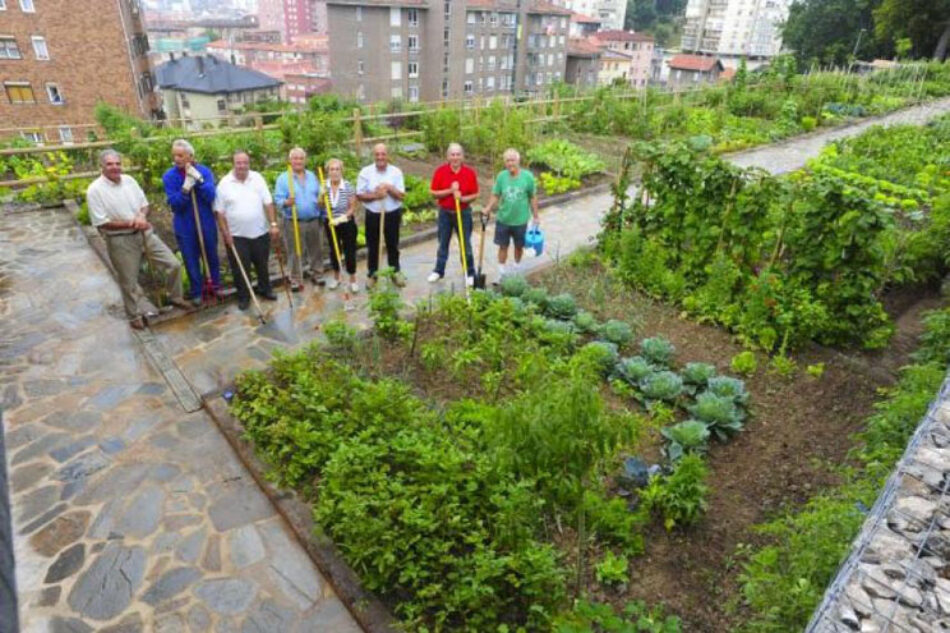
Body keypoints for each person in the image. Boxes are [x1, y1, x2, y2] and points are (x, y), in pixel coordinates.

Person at [86, 149, 188, 329]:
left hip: (144, 233)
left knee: (173, 264)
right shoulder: (95, 190)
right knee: (129, 280)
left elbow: (144, 204)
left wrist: (141, 216)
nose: (115, 167)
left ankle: (176, 297)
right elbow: (101, 223)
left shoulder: (129, 181)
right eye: (110, 164)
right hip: (120, 240)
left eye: (117, 163)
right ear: (101, 166)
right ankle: (134, 315)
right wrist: (132, 223)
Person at [213, 150, 280, 311]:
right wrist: (225, 233)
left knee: (262, 264)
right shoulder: (224, 184)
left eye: (245, 163)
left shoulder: (257, 178)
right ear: (233, 164)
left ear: (249, 163)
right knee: (240, 268)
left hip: (260, 232)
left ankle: (265, 289)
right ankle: (244, 296)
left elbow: (268, 202)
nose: (242, 166)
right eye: (239, 163)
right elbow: (219, 212)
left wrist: (273, 224)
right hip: (237, 236)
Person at [162, 139, 220, 306]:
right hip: (185, 224)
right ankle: (197, 291)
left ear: (190, 156)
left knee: (211, 255)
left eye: (180, 155)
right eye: (174, 155)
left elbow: (211, 196)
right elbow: (175, 204)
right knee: (190, 258)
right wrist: (186, 188)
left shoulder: (204, 171)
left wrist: (200, 181)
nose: (176, 158)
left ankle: (214, 286)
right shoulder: (170, 176)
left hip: (205, 221)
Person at [272, 147, 326, 290]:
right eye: (295, 158)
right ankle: (295, 279)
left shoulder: (312, 176)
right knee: (294, 251)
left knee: (316, 249)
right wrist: (286, 202)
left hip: (314, 219)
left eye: (301, 158)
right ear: (290, 160)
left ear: (305, 160)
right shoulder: (283, 179)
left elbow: (319, 194)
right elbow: (277, 199)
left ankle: (317, 274)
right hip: (293, 221)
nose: (298, 161)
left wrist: (321, 202)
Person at [482, 148, 539, 278]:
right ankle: (501, 271)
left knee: (519, 247)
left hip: (521, 221)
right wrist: (488, 208)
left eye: (512, 160)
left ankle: (517, 267)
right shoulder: (502, 176)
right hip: (503, 219)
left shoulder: (527, 177)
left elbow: (533, 196)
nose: (510, 163)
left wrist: (536, 216)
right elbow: (496, 194)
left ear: (518, 161)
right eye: (507, 161)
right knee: (503, 246)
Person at [428, 143, 479, 286]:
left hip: (463, 213)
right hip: (445, 213)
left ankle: (469, 272)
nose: (455, 157)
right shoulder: (440, 171)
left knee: (465, 244)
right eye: (452, 154)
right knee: (443, 242)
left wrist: (462, 199)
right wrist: (450, 191)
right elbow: (433, 193)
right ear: (448, 156)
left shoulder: (469, 173)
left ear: (462, 157)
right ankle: (438, 271)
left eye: (458, 154)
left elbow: (475, 194)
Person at [357, 143, 406, 287]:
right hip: (373, 214)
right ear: (374, 156)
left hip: (392, 214)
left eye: (383, 154)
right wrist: (376, 195)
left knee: (393, 244)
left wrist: (389, 188)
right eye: (377, 154)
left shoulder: (396, 172)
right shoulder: (365, 172)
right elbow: (360, 195)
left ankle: (395, 272)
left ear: (387, 155)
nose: (380, 157)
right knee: (373, 245)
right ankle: (373, 274)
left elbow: (401, 196)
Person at [318, 158, 360, 294]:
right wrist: (321, 196)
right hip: (330, 224)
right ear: (328, 171)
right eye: (332, 169)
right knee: (334, 251)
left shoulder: (348, 186)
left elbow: (352, 208)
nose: (334, 172)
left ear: (341, 171)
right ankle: (337, 277)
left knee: (349, 251)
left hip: (346, 223)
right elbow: (320, 206)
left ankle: (353, 279)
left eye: (337, 169)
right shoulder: (324, 185)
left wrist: (341, 219)